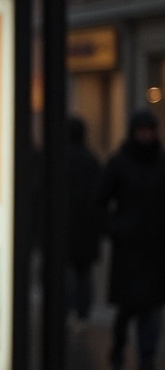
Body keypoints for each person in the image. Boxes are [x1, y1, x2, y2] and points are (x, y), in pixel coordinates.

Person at [96, 110, 165, 370]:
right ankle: (120, 345)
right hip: (129, 249)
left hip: (156, 250)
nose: (146, 136)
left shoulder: (160, 164)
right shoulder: (119, 164)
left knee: (151, 310)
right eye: (142, 131)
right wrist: (116, 229)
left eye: (150, 130)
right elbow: (100, 202)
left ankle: (147, 363)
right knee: (128, 309)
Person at [66, 116, 103, 321]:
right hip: (86, 229)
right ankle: (82, 313)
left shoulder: (59, 159)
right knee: (83, 274)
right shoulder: (90, 160)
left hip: (65, 228)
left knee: (67, 274)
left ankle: (69, 310)